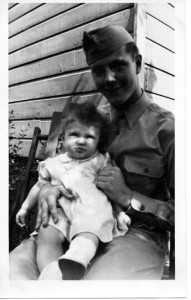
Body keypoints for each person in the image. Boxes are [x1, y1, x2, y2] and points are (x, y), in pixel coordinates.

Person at [9, 25, 174, 280]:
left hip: (134, 234)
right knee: (11, 276)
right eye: (99, 70)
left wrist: (129, 196)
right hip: (65, 223)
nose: (109, 78)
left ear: (138, 63)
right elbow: (58, 168)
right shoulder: (88, 120)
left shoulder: (169, 130)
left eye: (118, 66)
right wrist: (48, 189)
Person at [15, 102, 130, 280]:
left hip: (91, 211)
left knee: (91, 228)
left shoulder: (101, 161)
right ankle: (51, 272)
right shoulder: (52, 164)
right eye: (74, 134)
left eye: (89, 137)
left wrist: (119, 211)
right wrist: (25, 207)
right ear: (63, 137)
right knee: (47, 233)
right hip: (61, 213)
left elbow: (111, 187)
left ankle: (77, 258)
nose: (81, 141)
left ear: (98, 141)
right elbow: (39, 186)